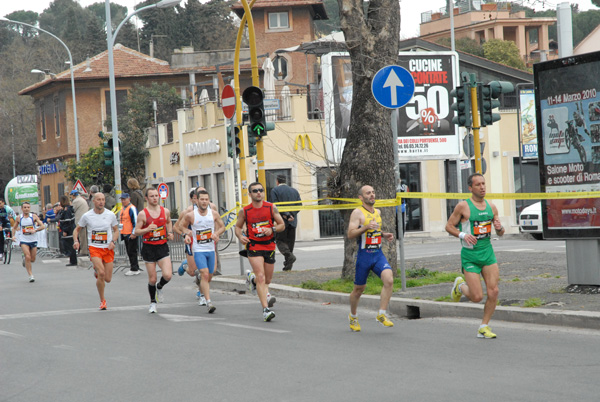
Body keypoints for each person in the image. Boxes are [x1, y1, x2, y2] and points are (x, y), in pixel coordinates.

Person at [445, 173, 504, 339]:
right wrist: (463, 235)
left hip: (487, 253)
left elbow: (500, 233)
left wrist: (499, 228)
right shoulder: (463, 207)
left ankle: (484, 326)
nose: (482, 187)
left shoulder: (491, 207)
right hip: (470, 256)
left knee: (493, 292)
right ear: (470, 188)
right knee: (477, 297)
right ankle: (459, 285)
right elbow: (449, 226)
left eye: (484, 183)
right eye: (478, 184)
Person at [346, 185, 395, 332]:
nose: (372, 195)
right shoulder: (357, 213)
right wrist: (365, 227)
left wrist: (383, 235)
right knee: (358, 290)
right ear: (361, 197)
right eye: (368, 193)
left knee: (389, 280)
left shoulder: (377, 211)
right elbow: (350, 234)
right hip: (364, 255)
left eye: (373, 192)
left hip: (378, 254)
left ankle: (381, 314)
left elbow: (375, 230)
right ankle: (353, 316)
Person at [235, 182, 285, 322]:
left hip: (269, 246)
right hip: (254, 246)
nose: (259, 193)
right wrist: (240, 237)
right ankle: (265, 310)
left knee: (267, 279)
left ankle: (252, 279)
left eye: (261, 190)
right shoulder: (245, 211)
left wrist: (272, 229)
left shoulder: (271, 207)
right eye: (255, 191)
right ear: (250, 194)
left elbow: (282, 224)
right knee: (261, 277)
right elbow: (237, 228)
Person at [175, 189, 224, 313]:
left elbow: (222, 226)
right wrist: (186, 233)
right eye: (202, 199)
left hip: (211, 249)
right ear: (196, 200)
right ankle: (208, 301)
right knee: (204, 273)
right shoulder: (190, 215)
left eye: (206, 199)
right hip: (198, 249)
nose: (204, 202)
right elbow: (180, 226)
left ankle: (186, 265)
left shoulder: (213, 213)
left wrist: (216, 234)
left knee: (211, 274)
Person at [73, 192, 119, 310]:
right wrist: (76, 241)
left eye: (103, 199)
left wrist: (113, 241)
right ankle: (102, 301)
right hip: (94, 249)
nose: (101, 202)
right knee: (102, 274)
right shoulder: (87, 216)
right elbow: (76, 230)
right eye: (98, 199)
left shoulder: (110, 215)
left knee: (107, 279)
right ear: (93, 201)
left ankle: (97, 272)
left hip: (107, 249)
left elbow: (116, 230)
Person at [134, 188, 174, 314]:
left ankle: (160, 286)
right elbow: (136, 231)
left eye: (156, 196)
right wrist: (147, 230)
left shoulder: (165, 211)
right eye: (152, 196)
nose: (155, 198)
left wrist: (170, 232)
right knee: (152, 279)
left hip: (162, 246)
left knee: (168, 275)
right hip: (149, 247)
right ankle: (152, 302)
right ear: (146, 198)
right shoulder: (143, 214)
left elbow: (168, 222)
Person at [270, 175, 302, 271]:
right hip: (293, 222)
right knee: (290, 245)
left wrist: (286, 215)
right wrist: (292, 215)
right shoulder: (294, 191)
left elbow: (275, 206)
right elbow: (299, 205)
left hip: (281, 221)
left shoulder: (274, 191)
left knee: (280, 241)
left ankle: (289, 258)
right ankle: (288, 267)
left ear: (277, 181)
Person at [12, 202, 45, 282]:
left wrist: (35, 230)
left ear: (30, 208)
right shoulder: (19, 218)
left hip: (33, 239)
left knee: (33, 259)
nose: (26, 209)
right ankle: (30, 275)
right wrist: (13, 236)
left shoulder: (33, 217)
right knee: (28, 256)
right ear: (22, 209)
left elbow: (43, 226)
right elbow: (14, 228)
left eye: (28, 207)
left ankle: (26, 261)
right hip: (24, 240)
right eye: (25, 207)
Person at [119, 193, 140, 276]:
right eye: (122, 199)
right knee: (129, 251)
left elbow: (136, 221)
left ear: (129, 199)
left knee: (132, 251)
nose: (123, 201)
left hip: (131, 234)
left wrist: (134, 233)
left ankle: (134, 269)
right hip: (125, 233)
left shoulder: (132, 208)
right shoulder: (123, 208)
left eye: (124, 199)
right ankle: (134, 267)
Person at [57, 195, 77, 266]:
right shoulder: (67, 209)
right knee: (70, 245)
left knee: (70, 246)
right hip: (70, 229)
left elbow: (67, 221)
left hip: (69, 231)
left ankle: (73, 261)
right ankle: (72, 260)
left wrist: (65, 231)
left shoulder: (67, 210)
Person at [71, 189, 89, 256]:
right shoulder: (82, 199)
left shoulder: (76, 201)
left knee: (82, 237)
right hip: (85, 220)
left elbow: (73, 210)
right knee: (84, 236)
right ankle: (85, 250)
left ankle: (84, 251)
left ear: (73, 195)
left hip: (80, 221)